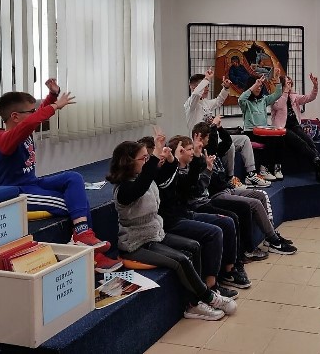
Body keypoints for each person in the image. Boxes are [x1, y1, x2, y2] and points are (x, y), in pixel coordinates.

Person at [0, 78, 122, 273]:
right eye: (31, 111)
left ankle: (83, 235)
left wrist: (53, 95)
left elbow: (34, 117)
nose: (36, 114)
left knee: (74, 179)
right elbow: (33, 120)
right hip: (14, 192)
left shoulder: (22, 128)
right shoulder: (2, 140)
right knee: (71, 204)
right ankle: (88, 249)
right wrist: (55, 106)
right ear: (15, 116)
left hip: (31, 183)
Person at [106, 137, 236, 320]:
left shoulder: (143, 178)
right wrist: (154, 157)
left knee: (194, 246)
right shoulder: (124, 190)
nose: (147, 161)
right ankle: (207, 298)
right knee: (180, 260)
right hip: (136, 243)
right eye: (144, 158)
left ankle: (195, 301)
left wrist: (170, 159)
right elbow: (141, 186)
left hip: (155, 234)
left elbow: (165, 176)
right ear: (128, 162)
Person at [157, 134, 243, 298]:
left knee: (228, 221)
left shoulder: (177, 171)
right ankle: (211, 285)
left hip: (185, 213)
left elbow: (192, 186)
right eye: (188, 149)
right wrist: (176, 161)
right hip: (173, 220)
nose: (191, 152)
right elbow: (184, 187)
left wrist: (198, 158)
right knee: (215, 231)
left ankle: (229, 270)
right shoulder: (165, 174)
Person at [195, 119, 297, 255]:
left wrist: (219, 128)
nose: (212, 139)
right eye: (208, 137)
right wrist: (212, 129)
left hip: (228, 189)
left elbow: (227, 142)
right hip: (217, 195)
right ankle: (274, 240)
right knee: (254, 203)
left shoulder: (213, 151)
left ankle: (270, 236)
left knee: (261, 195)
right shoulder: (199, 158)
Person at [184, 68, 270, 188]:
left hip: (214, 138)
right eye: (205, 86)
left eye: (208, 86)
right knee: (230, 146)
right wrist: (207, 78)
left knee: (244, 139)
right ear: (193, 87)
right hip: (202, 143)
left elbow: (218, 101)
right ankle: (230, 178)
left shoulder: (205, 103)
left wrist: (225, 88)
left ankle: (251, 174)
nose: (207, 89)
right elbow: (195, 94)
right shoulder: (190, 104)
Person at [271, 73, 320, 181]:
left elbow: (309, 98)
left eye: (290, 83)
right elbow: (279, 106)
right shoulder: (276, 97)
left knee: (310, 142)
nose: (290, 85)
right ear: (282, 85)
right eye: (287, 83)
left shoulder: (294, 96)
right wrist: (285, 92)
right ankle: (318, 161)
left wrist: (315, 86)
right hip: (282, 128)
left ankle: (319, 168)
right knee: (300, 142)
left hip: (295, 126)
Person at [239, 69, 285, 181]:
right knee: (270, 140)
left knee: (280, 138)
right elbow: (241, 98)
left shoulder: (264, 100)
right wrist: (255, 85)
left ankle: (277, 168)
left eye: (260, 86)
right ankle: (263, 170)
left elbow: (278, 94)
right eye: (256, 86)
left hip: (264, 131)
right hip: (250, 132)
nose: (259, 88)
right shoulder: (246, 102)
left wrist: (277, 79)